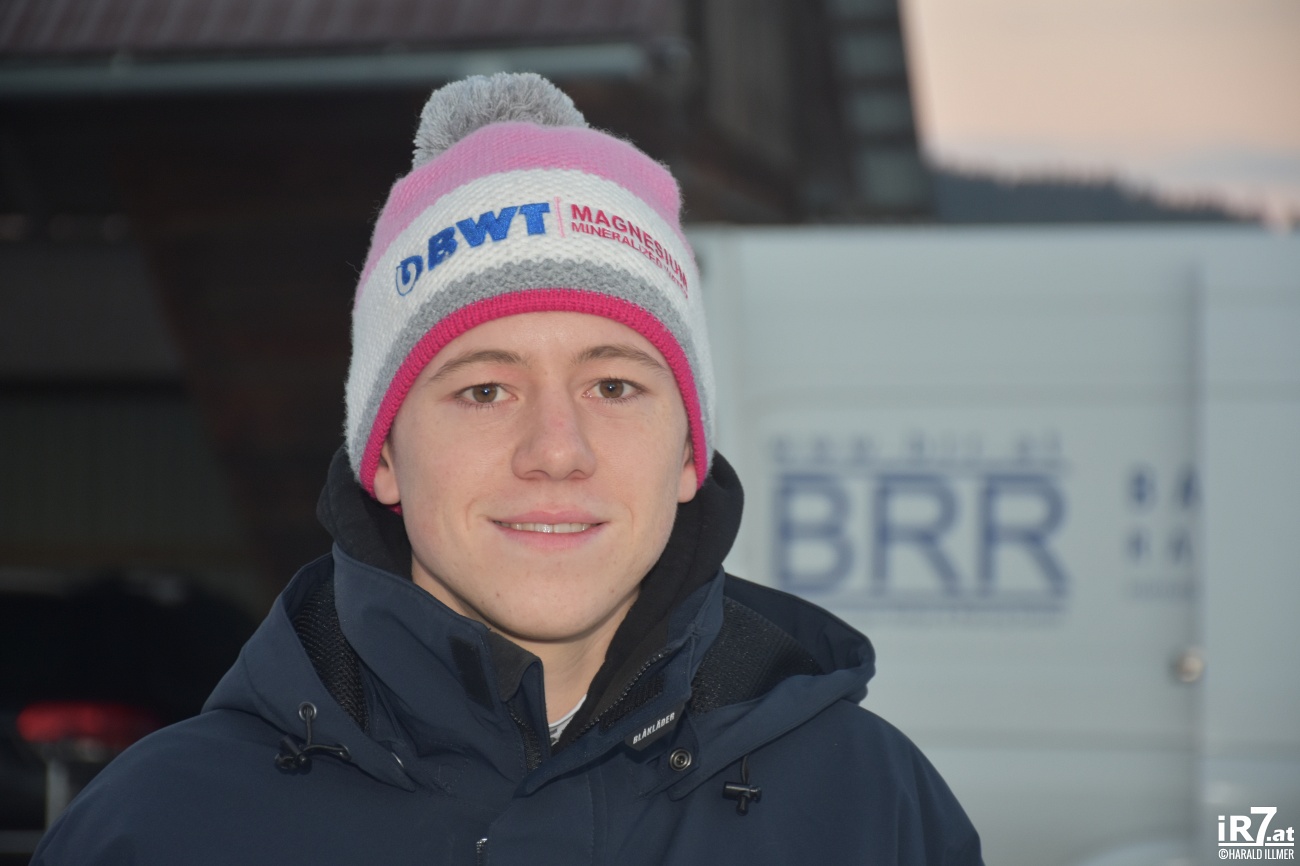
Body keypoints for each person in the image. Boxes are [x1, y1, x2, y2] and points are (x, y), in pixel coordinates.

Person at [32, 73, 983, 865]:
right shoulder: (163, 830)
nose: (557, 450)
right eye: (485, 390)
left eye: (614, 386)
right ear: (383, 456)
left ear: (690, 453)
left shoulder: (870, 811)